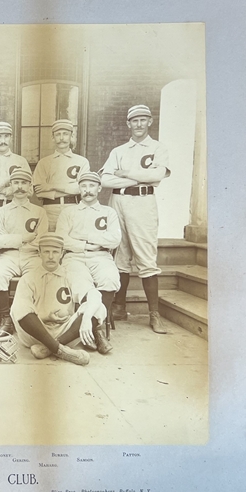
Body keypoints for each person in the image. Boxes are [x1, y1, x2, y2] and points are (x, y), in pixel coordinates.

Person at [99, 105, 171, 334]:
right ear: (128, 124)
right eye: (134, 120)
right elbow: (105, 181)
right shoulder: (119, 151)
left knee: (146, 256)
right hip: (118, 202)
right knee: (120, 255)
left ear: (150, 122)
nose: (138, 124)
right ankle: (119, 307)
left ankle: (154, 314)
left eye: (143, 120)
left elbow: (157, 175)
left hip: (143, 203)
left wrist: (126, 174)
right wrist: (138, 179)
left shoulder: (158, 148)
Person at [10, 233, 108, 365]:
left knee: (99, 308)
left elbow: (95, 295)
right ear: (39, 253)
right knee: (18, 307)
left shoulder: (70, 275)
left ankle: (48, 349)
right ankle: (62, 350)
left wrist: (86, 319)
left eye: (55, 252)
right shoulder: (29, 277)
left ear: (62, 253)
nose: (51, 256)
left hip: (65, 332)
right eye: (46, 252)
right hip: (36, 334)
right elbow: (21, 310)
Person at [56, 171, 121, 351]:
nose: (87, 190)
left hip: (101, 256)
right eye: (83, 186)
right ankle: (97, 331)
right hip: (74, 256)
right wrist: (86, 245)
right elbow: (62, 239)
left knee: (110, 278)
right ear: (79, 189)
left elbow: (114, 239)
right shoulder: (69, 212)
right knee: (81, 285)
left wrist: (84, 236)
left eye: (92, 186)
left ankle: (92, 328)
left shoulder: (108, 212)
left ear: (99, 188)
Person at [0, 169, 49, 333]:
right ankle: (6, 318)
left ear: (30, 186)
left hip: (33, 256)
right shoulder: (3, 211)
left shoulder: (39, 211)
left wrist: (12, 241)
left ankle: (32, 318)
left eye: (24, 183)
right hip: (9, 256)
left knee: (39, 276)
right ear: (11, 186)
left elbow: (41, 241)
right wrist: (22, 238)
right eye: (16, 183)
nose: (20, 187)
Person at [32, 119, 90, 232]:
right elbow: (39, 192)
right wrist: (70, 188)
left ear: (71, 136)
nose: (62, 138)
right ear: (53, 137)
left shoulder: (82, 161)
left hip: (73, 207)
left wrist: (50, 186)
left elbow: (82, 188)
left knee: (73, 241)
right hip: (50, 210)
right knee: (51, 243)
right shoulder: (44, 162)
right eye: (58, 134)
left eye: (65, 134)